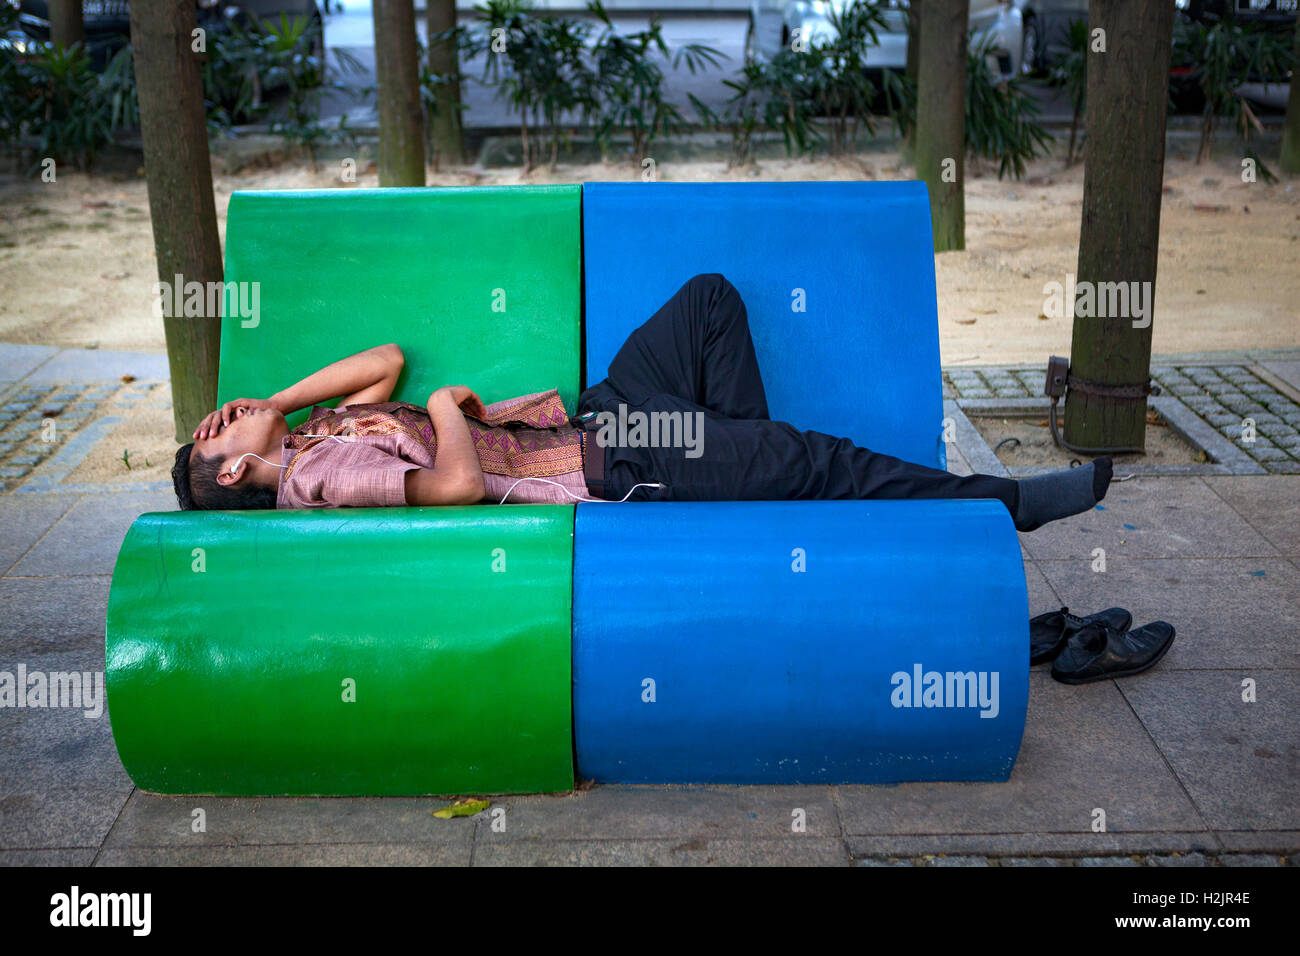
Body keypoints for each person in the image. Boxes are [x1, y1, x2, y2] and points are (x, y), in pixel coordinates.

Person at [173, 273, 1112, 526]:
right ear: (240, 471)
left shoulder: (315, 431)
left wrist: (275, 400)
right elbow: (452, 491)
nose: (220, 416)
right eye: (213, 434)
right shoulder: (320, 475)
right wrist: (453, 410)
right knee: (814, 460)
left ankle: (748, 462)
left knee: (708, 300)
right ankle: (1007, 504)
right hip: (610, 463)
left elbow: (382, 357)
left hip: (596, 412)